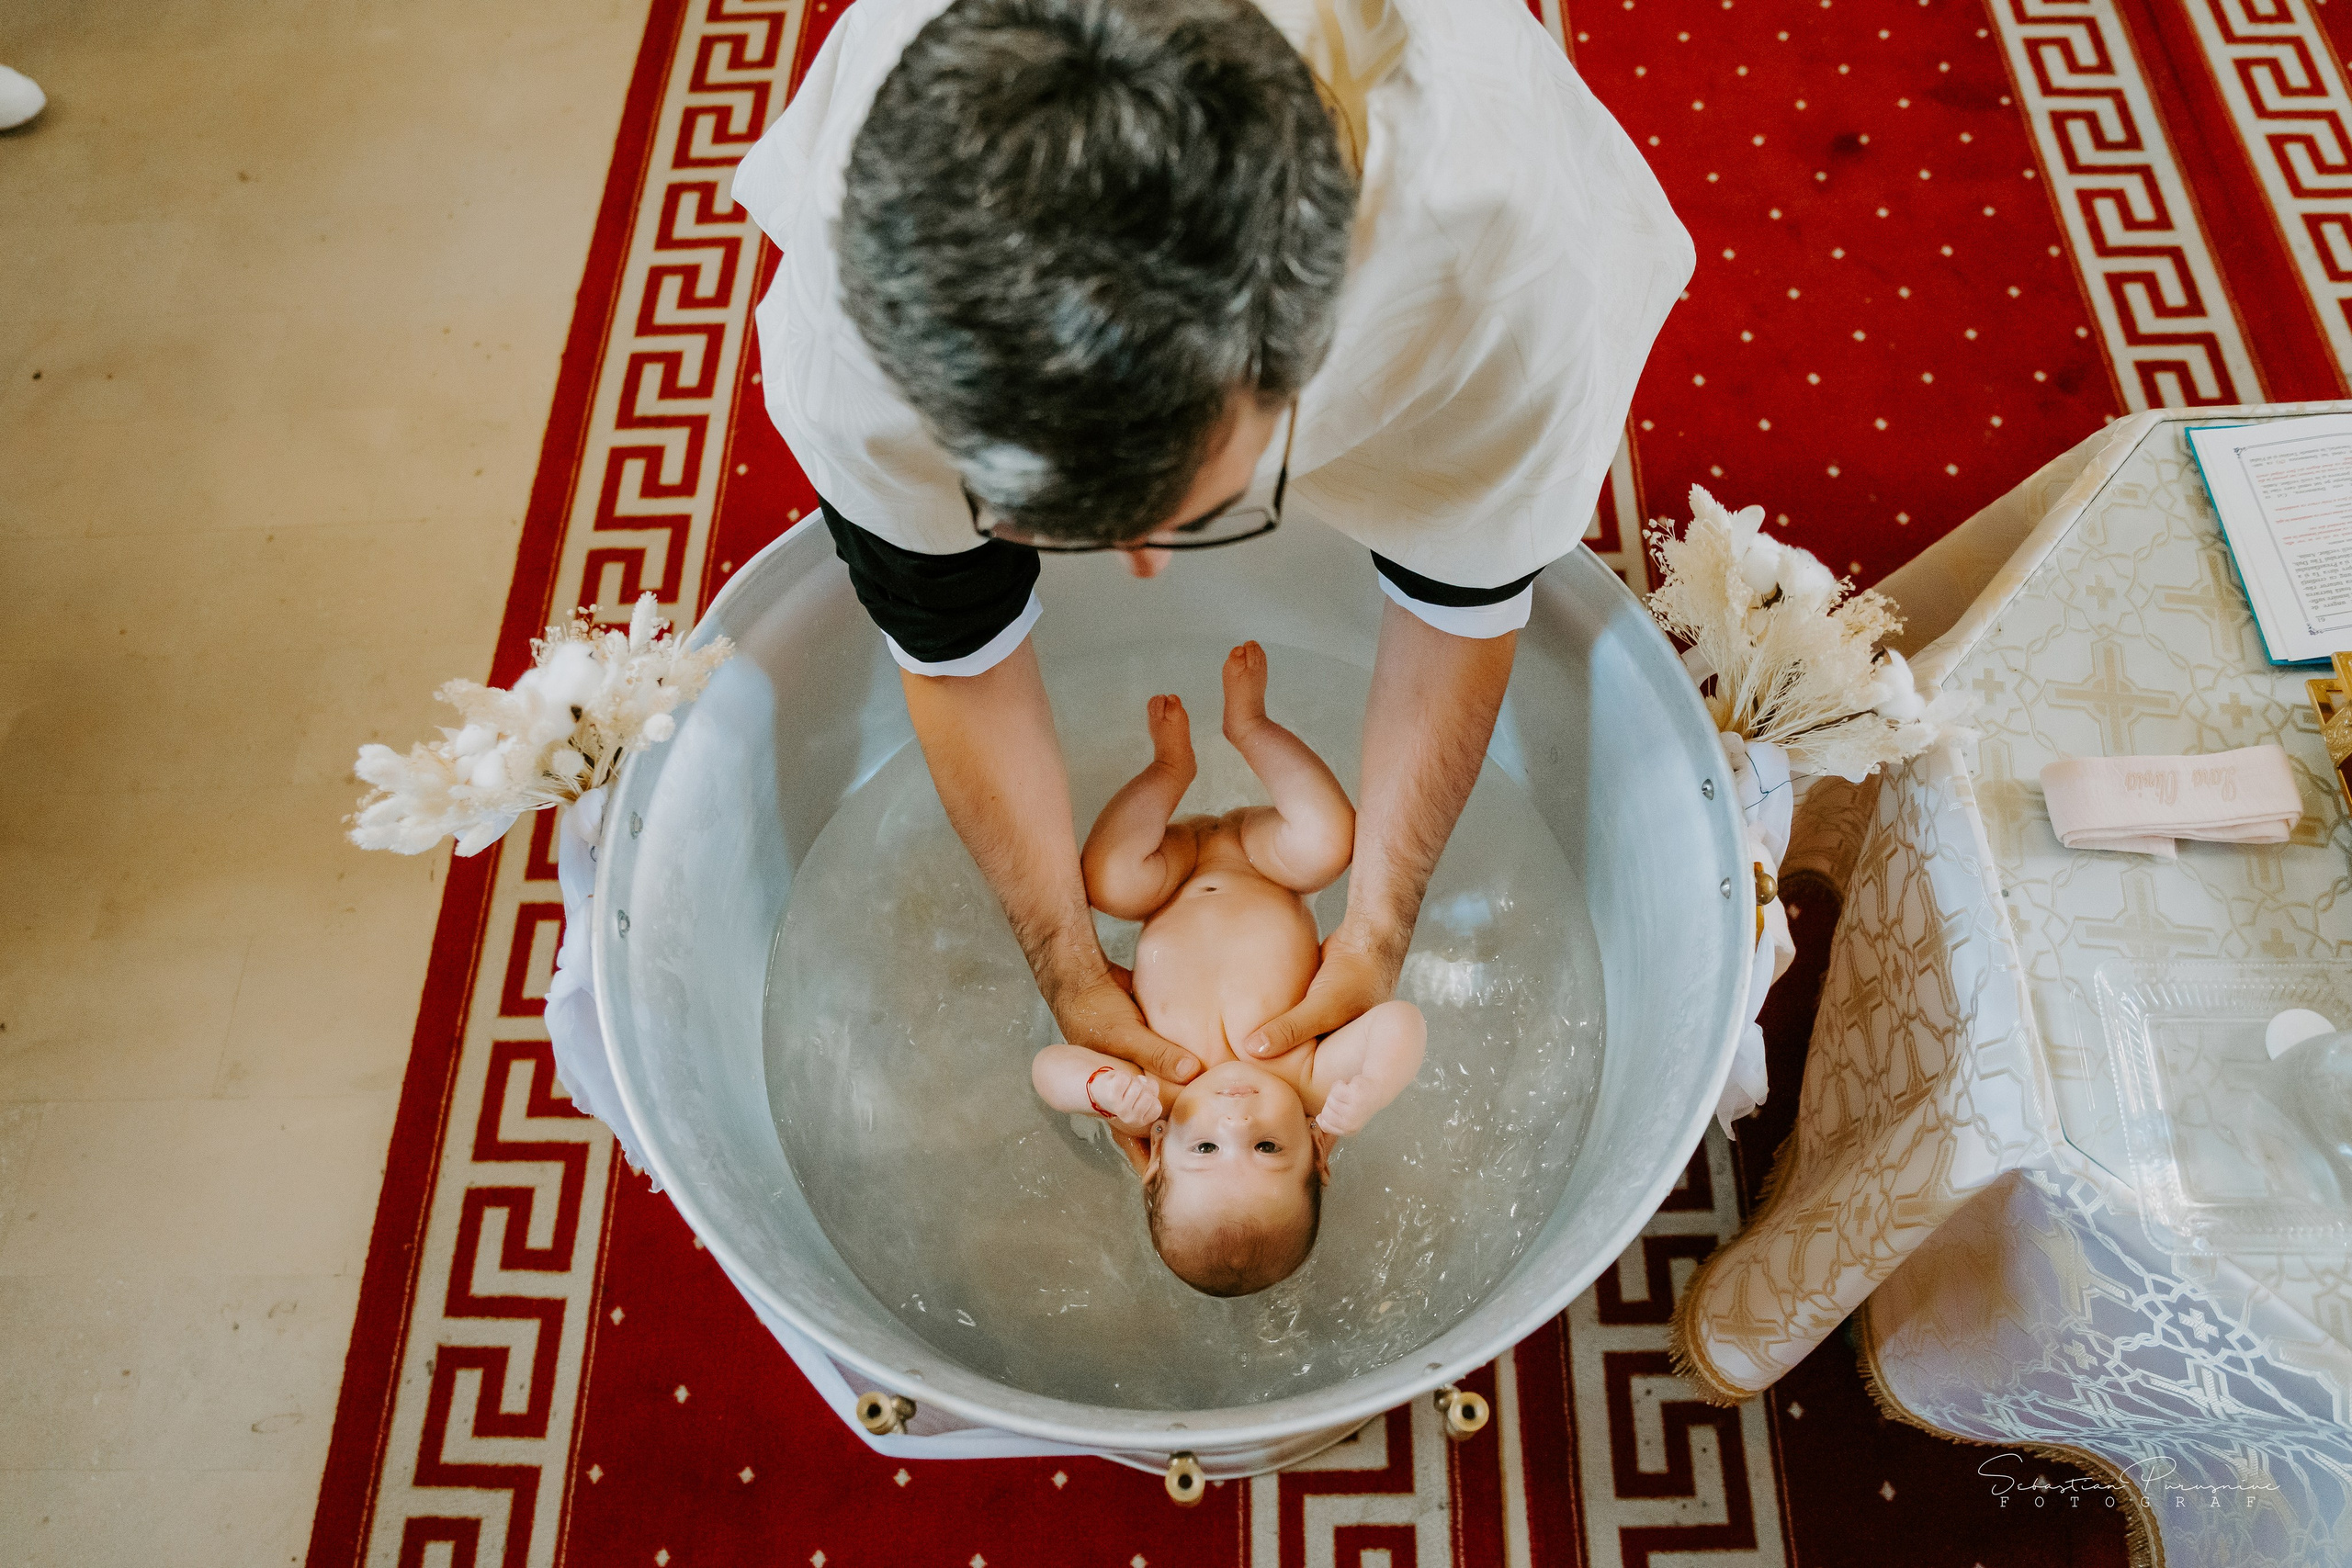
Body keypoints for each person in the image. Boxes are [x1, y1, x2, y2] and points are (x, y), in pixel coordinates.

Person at [729, 0, 1691, 1089]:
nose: (1145, 569)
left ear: (1298, 355)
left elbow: (1458, 597)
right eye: (1035, 517)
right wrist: (1067, 965)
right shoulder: (855, 363)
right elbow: (955, 648)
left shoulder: (1495, 274)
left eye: (1196, 512)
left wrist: (1376, 931)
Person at [1031, 643, 1426, 1296]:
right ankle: (1251, 726)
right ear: (1317, 1152)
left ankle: (1169, 767)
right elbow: (1400, 1023)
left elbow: (1046, 1069)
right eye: (1269, 1150)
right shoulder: (1310, 1083)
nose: (1235, 1125)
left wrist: (1097, 1088)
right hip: (1266, 857)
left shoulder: (1154, 1096)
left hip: (1169, 872)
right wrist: (1371, 1089)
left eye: (1205, 1151)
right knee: (1332, 839)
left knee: (1105, 879)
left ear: (1156, 1156)